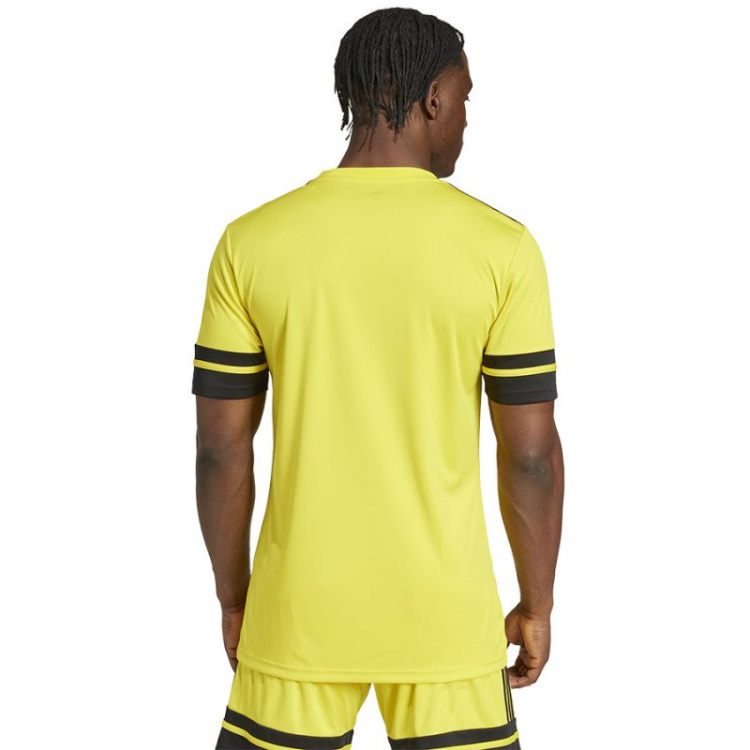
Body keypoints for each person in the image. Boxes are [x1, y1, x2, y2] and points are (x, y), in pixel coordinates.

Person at [193, 8, 564, 749]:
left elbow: (220, 450)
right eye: (465, 98)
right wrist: (537, 603)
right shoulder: (504, 249)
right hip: (445, 619)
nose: (467, 118)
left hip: (297, 613)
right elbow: (530, 455)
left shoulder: (250, 243)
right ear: (433, 98)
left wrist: (236, 600)